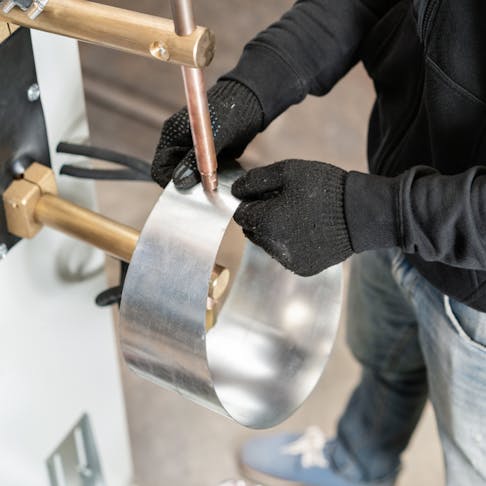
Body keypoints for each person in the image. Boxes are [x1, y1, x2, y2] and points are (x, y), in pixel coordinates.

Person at [151, 1, 486, 484]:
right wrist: (252, 89)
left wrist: (368, 212)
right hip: (395, 197)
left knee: (473, 463)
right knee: (387, 361)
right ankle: (356, 463)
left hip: (476, 295)